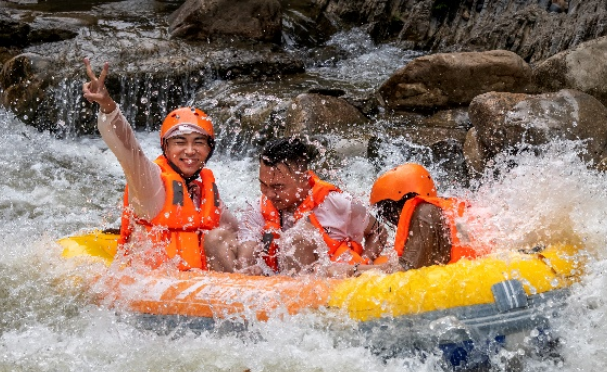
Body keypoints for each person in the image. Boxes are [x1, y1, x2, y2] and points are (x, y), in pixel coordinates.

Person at [81, 58, 239, 270]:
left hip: (199, 285)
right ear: (165, 147)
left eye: (199, 143)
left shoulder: (205, 191)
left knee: (222, 236)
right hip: (155, 285)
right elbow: (129, 149)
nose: (190, 151)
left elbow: (238, 231)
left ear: (209, 149)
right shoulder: (151, 183)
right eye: (180, 142)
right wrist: (108, 106)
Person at [205, 137, 388, 276]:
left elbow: (379, 231)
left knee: (298, 238)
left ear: (303, 179)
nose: (269, 194)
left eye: (278, 187)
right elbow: (247, 250)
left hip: (327, 281)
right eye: (263, 185)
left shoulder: (337, 203)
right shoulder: (258, 208)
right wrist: (246, 268)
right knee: (215, 238)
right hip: (277, 284)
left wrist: (366, 260)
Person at [369, 163, 492, 270]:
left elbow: (405, 270)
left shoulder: (424, 213)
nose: (391, 219)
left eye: (388, 212)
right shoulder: (450, 209)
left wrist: (358, 270)